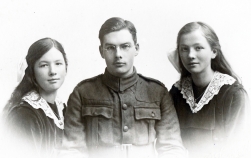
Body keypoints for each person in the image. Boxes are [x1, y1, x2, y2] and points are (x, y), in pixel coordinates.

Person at [61, 17, 187, 158]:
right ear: (101, 51)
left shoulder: (157, 92)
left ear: (136, 48)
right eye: (110, 48)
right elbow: (72, 150)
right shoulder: (82, 93)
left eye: (125, 46)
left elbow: (171, 147)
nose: (118, 55)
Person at [168, 22, 250, 158]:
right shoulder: (177, 92)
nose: (190, 55)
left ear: (214, 52)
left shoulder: (233, 94)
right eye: (184, 49)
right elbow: (169, 143)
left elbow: (238, 149)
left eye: (198, 48)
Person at [1, 37, 68, 158]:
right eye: (44, 65)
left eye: (58, 63)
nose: (53, 71)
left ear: (65, 67)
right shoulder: (24, 115)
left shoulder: (62, 108)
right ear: (32, 71)